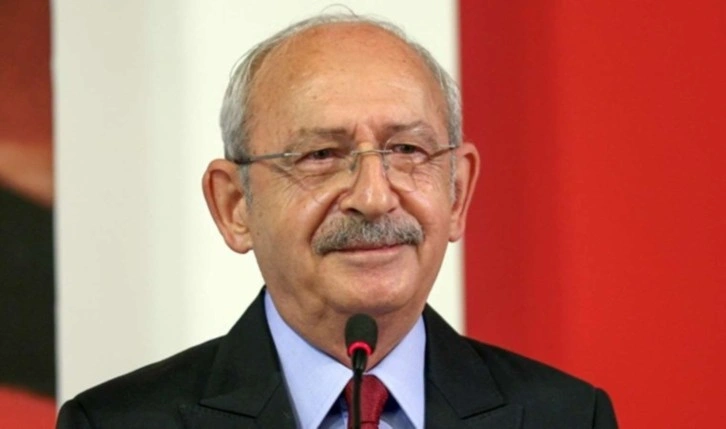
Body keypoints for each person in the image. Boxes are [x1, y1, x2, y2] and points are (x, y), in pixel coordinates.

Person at [57, 13, 618, 429]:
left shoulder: (568, 417)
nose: (374, 197)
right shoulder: (115, 423)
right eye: (321, 156)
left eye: (407, 150)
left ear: (457, 194)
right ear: (234, 206)